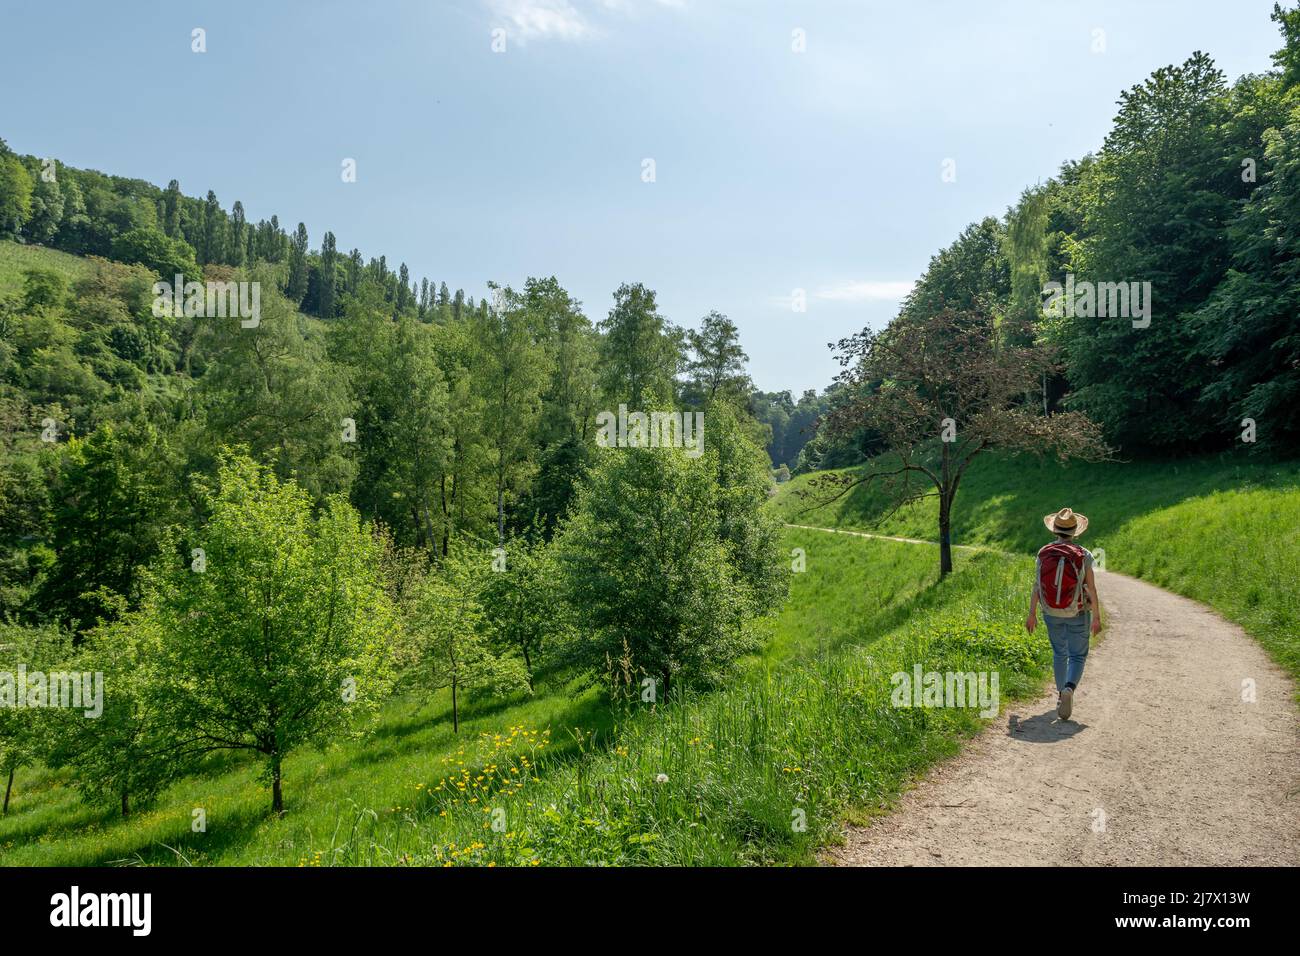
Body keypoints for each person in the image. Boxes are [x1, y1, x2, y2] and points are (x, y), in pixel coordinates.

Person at [1025, 508, 1101, 720]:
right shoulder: (1083, 555)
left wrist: (1032, 614)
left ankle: (1060, 695)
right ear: (1075, 532)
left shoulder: (1043, 552)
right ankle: (1069, 688)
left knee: (1060, 653)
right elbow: (1091, 589)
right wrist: (1096, 617)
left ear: (1054, 530)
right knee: (1077, 655)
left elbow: (1037, 586)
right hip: (1077, 612)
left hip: (1050, 611)